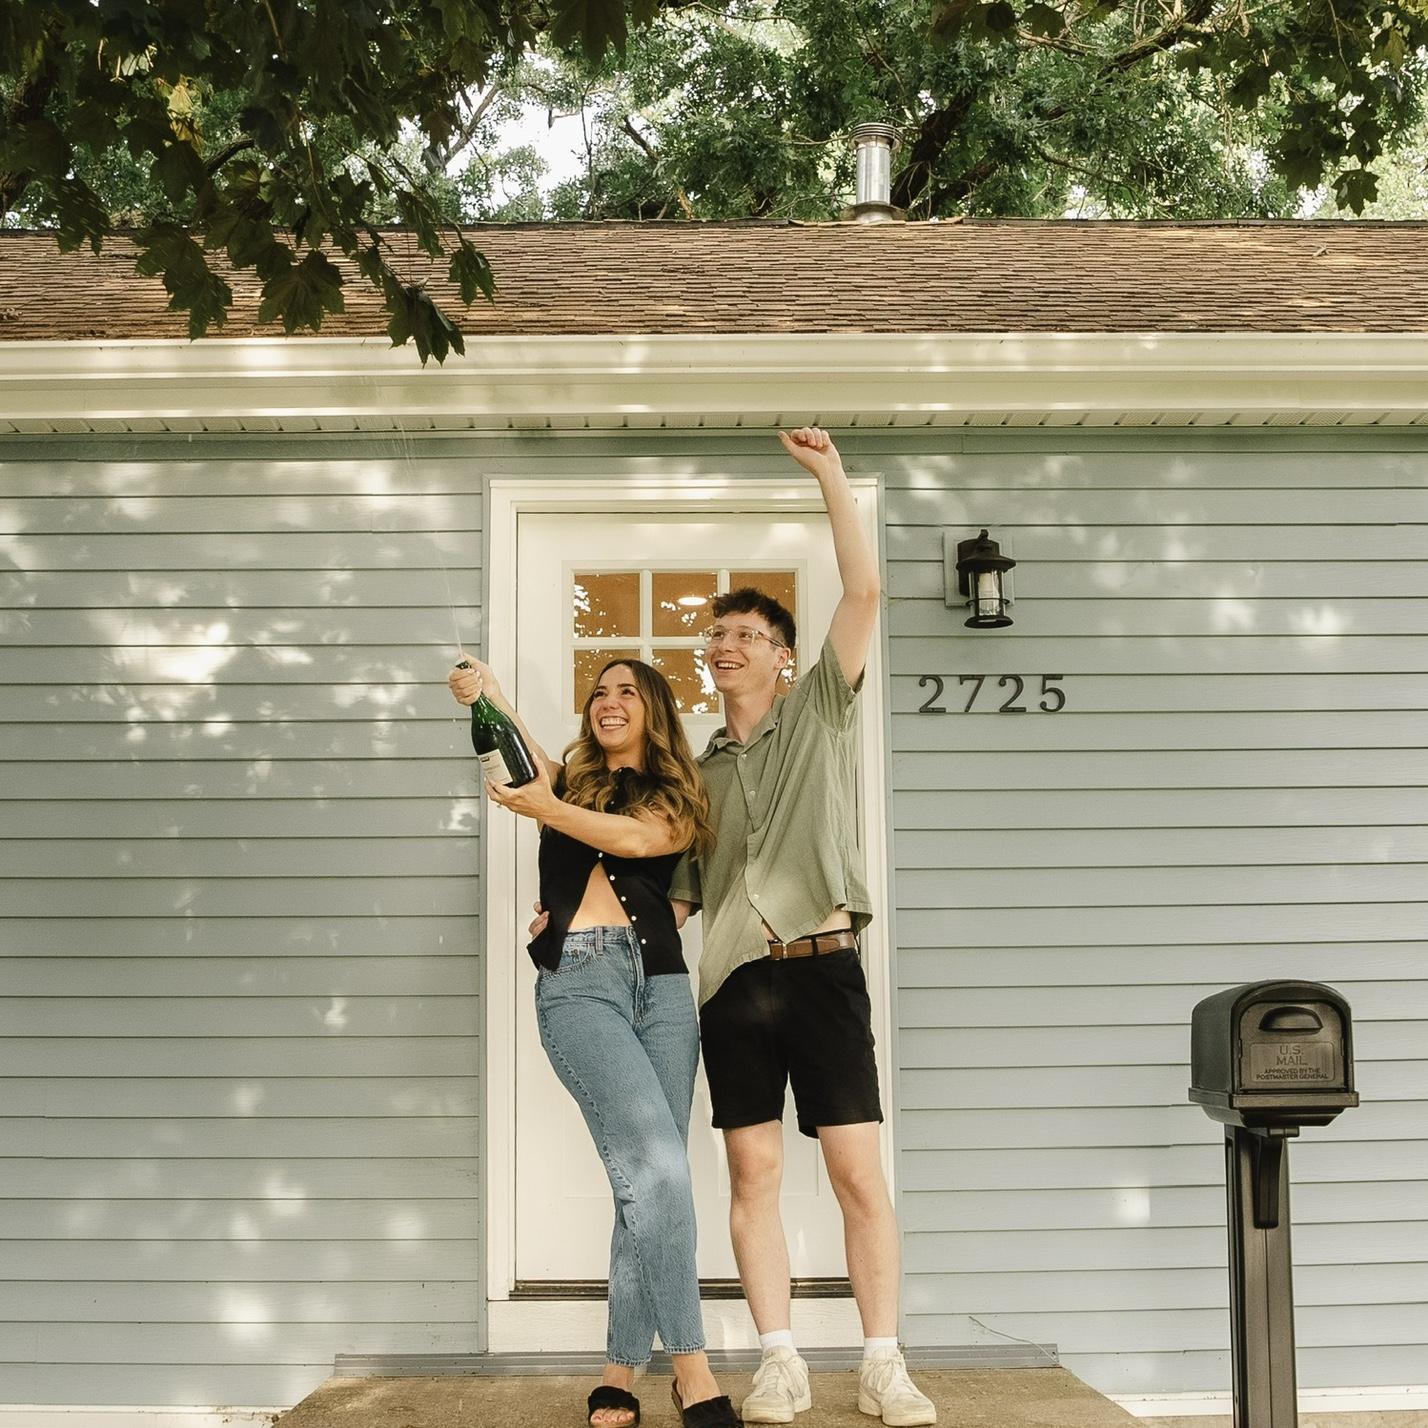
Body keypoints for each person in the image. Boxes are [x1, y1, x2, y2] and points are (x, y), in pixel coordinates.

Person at [669, 428, 937, 1427]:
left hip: (824, 971)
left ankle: (883, 1364)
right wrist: (579, 919)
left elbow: (863, 592)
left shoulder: (822, 708)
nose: (725, 645)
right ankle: (779, 1362)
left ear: (782, 657)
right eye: (717, 635)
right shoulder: (698, 774)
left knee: (859, 1174)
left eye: (746, 634)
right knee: (754, 1175)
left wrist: (831, 476)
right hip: (734, 985)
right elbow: (679, 898)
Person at [448, 655, 741, 1428]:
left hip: (664, 991)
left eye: (627, 692)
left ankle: (618, 1369)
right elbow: (520, 752)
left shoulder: (678, 795)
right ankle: (693, 1371)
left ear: (653, 710)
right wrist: (489, 693)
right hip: (580, 982)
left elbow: (638, 839)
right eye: (600, 692)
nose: (609, 702)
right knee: (657, 1174)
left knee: (648, 1180)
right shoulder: (566, 781)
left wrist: (547, 808)